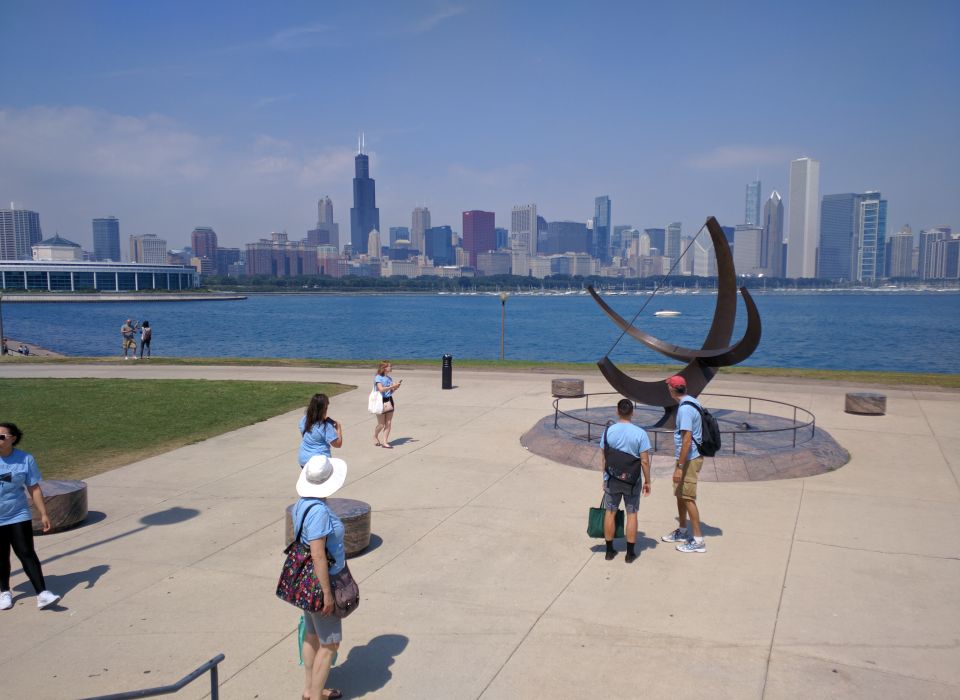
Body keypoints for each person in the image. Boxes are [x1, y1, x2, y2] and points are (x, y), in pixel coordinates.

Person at [292, 455, 349, 700]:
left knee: (313, 635)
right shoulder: (320, 514)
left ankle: (310, 688)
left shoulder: (302, 504)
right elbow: (318, 555)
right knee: (330, 644)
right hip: (322, 583)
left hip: (306, 582)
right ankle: (315, 696)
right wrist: (327, 593)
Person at [0, 422, 60, 610]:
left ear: (13, 439)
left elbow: (33, 488)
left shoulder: (25, 459)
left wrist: (43, 513)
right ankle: (4, 592)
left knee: (26, 552)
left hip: (18, 514)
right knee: (1, 556)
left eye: (2, 436)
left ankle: (42, 593)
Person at [600, 399, 652, 563]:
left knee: (610, 512)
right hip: (632, 480)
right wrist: (647, 481)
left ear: (617, 411)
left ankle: (609, 551)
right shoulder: (640, 433)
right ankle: (630, 554)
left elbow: (603, 457)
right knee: (632, 514)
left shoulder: (608, 431)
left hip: (612, 478)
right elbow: (644, 461)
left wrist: (605, 477)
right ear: (632, 412)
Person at [661, 375, 707, 553]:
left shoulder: (685, 410)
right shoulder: (691, 401)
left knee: (688, 498)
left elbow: (687, 440)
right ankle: (682, 530)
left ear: (672, 390)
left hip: (689, 459)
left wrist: (680, 467)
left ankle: (698, 540)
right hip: (685, 458)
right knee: (680, 494)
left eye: (668, 387)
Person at [298, 394, 343, 467]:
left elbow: (304, 434)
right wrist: (338, 428)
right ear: (324, 409)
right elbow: (338, 444)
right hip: (319, 463)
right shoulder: (326, 426)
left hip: (303, 460)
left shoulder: (304, 419)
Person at [373, 360, 402, 449]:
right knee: (381, 424)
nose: (391, 367)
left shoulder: (389, 379)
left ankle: (385, 442)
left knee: (388, 423)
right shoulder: (378, 377)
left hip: (389, 400)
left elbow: (390, 391)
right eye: (390, 366)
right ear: (384, 368)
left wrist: (395, 387)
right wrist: (392, 386)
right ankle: (375, 436)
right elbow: (381, 389)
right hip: (380, 401)